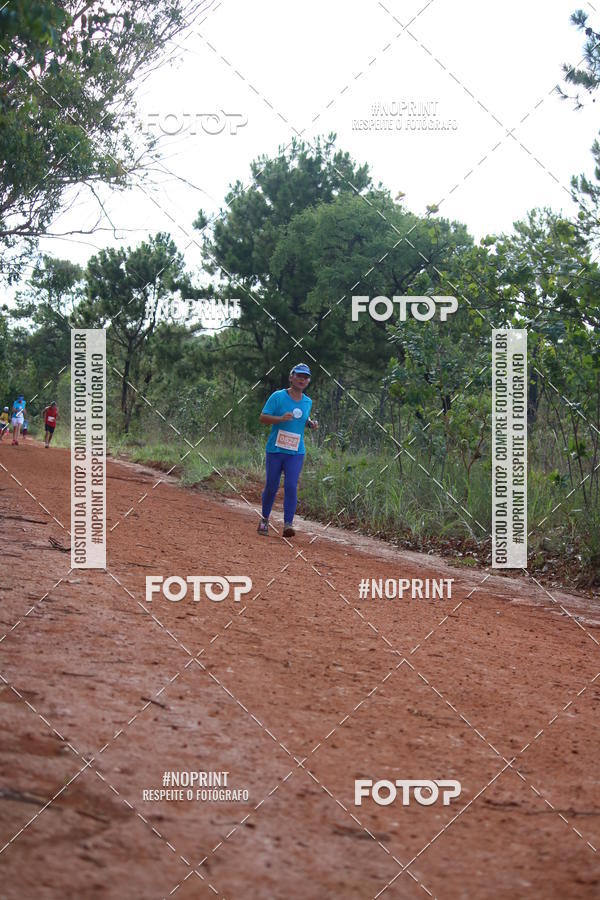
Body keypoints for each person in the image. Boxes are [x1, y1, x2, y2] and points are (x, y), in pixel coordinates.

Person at [258, 364, 318, 537]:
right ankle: (264, 520)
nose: (302, 380)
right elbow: (263, 418)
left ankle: (288, 525)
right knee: (272, 486)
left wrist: (310, 424)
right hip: (276, 450)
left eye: (305, 377)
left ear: (308, 381)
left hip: (296, 451)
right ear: (291, 377)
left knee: (291, 486)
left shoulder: (307, 401)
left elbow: (302, 418)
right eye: (299, 376)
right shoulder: (278, 396)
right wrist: (280, 419)